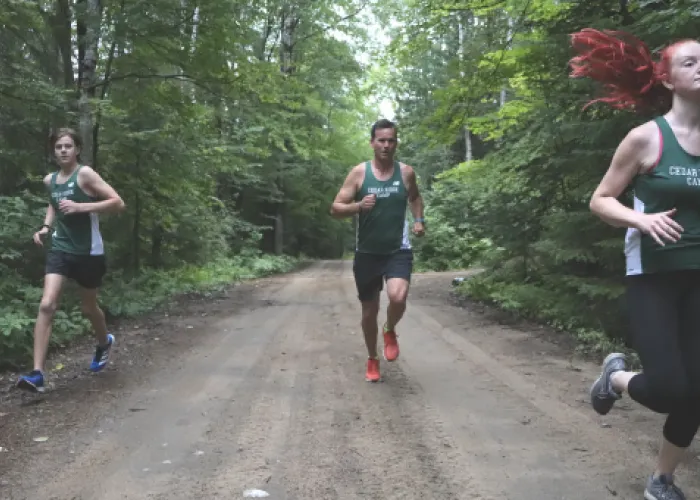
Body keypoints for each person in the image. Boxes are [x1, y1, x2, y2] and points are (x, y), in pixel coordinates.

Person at [570, 28, 700, 500]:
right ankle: (616, 377)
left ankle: (661, 481)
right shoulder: (647, 139)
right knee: (668, 388)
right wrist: (640, 222)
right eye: (690, 62)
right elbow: (601, 200)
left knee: (698, 390)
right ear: (665, 78)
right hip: (654, 273)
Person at [16, 128, 125, 393]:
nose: (63, 150)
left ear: (77, 149)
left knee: (88, 309)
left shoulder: (85, 175)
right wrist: (45, 227)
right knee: (47, 304)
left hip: (89, 252)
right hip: (61, 248)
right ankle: (38, 374)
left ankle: (103, 342)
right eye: (58, 147)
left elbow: (117, 202)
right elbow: (54, 202)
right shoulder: (50, 180)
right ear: (53, 152)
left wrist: (81, 207)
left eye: (68, 146)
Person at [331, 119, 425, 382]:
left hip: (397, 249)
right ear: (372, 142)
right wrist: (358, 206)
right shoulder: (359, 173)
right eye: (381, 140)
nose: (386, 145)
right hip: (367, 253)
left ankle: (390, 329)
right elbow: (336, 208)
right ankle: (372, 358)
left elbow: (415, 197)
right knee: (369, 311)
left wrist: (419, 220)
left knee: (398, 297)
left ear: (396, 142)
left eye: (391, 140)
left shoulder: (406, 172)